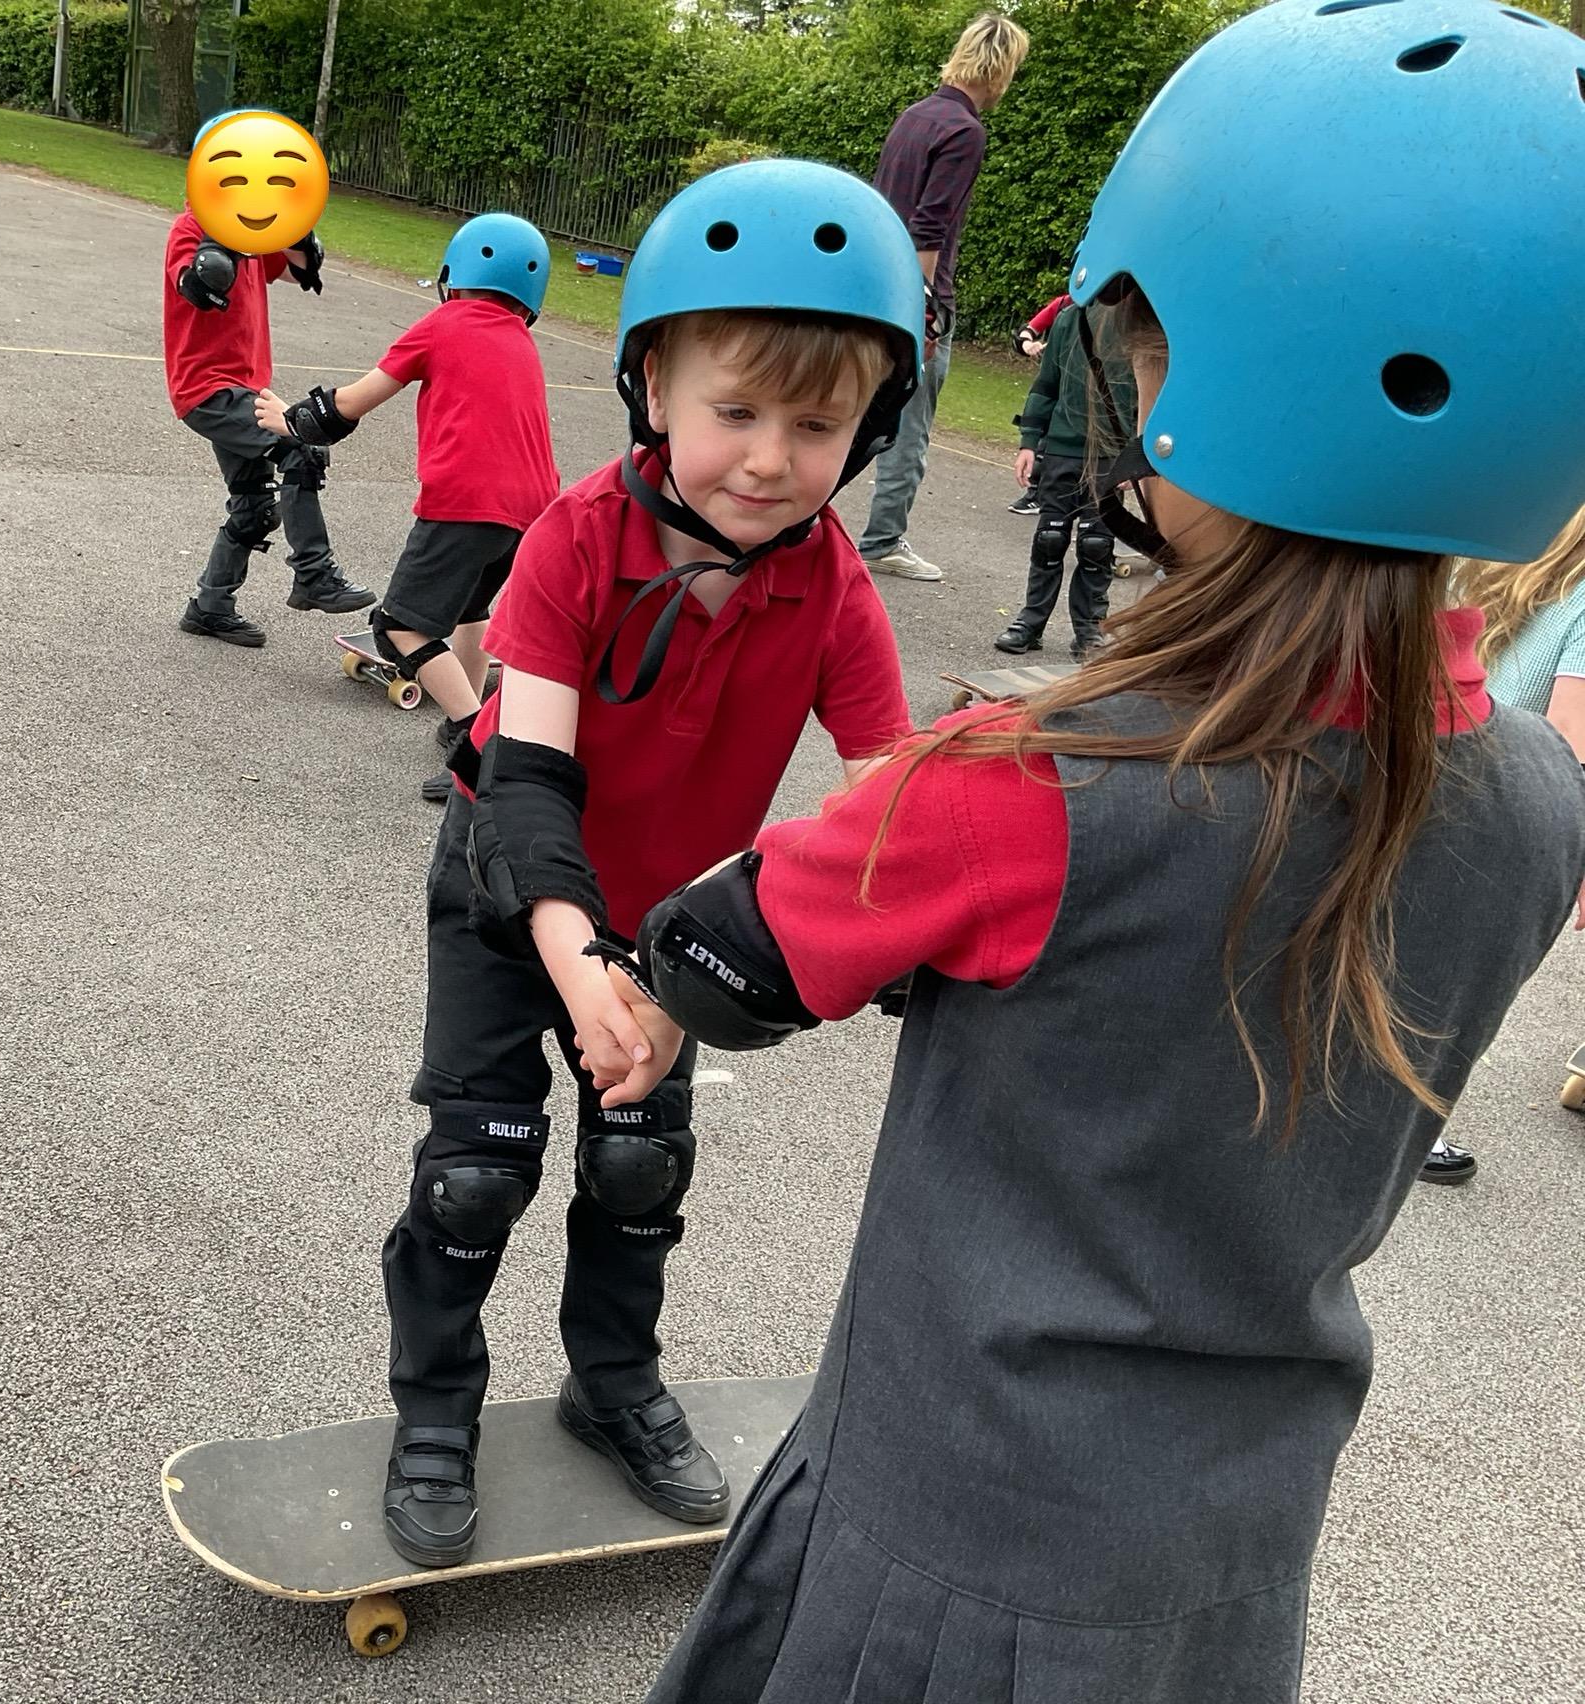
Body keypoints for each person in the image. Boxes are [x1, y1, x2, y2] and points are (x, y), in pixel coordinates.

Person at [601, 3, 1585, 1697]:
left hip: (945, 1545)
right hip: (1219, 1568)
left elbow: (722, 959)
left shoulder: (1033, 781)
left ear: (1201, 376)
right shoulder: (1542, 798)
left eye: (1138, 351)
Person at [373, 159, 923, 1571]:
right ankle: (435, 1408)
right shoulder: (575, 540)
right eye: (735, 412)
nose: (769, 459)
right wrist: (582, 966)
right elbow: (527, 783)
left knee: (637, 1167)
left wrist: (696, 982)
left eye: (816, 425)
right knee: (475, 1173)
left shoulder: (832, 588)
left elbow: (886, 805)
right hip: (511, 893)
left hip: (666, 930)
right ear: (653, 388)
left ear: (867, 431)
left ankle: (611, 1383)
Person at [258, 214, 560, 802]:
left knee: (397, 628)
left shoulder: (444, 323)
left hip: (465, 502)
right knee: (470, 609)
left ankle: (480, 749)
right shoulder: (521, 341)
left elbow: (350, 404)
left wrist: (290, 421)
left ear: (453, 276)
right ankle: (466, 719)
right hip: (532, 509)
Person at [161, 112, 374, 649]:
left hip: (244, 389)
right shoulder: (192, 229)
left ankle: (210, 607)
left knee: (255, 505)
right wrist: (216, 254)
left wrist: (298, 233)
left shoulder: (251, 236)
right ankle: (314, 574)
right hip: (208, 389)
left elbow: (298, 264)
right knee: (300, 446)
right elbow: (195, 281)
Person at [854, 11, 1031, 582]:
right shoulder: (965, 131)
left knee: (856, 410)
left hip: (875, 288)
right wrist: (925, 309)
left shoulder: (915, 116)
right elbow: (929, 227)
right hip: (914, 294)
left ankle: (806, 516)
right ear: (1001, 69)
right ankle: (883, 540)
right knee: (909, 426)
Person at [1443, 502, 1585, 1175]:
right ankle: (1404, 1119)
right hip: (1495, 808)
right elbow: (1571, 744)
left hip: (1437, 766)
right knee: (1444, 979)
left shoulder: (1509, 560)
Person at [995, 292, 1133, 657]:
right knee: (1049, 539)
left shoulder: (1141, 324)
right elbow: (1046, 384)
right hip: (1061, 448)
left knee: (1096, 545)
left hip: (1109, 453)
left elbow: (1148, 397)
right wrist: (1029, 443)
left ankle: (1090, 629)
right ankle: (1030, 622)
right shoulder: (1070, 319)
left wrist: (1135, 458)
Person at [1005, 291, 1071, 515]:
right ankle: (1037, 495)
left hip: (1090, 387)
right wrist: (1028, 344)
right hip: (1055, 383)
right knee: (1044, 436)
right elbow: (1025, 332)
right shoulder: (1063, 304)